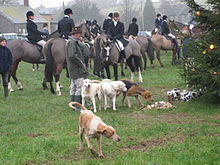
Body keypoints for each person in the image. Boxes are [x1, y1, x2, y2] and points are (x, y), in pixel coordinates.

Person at [65, 27, 89, 105]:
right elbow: (72, 56)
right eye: (80, 34)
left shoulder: (73, 42)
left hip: (73, 68)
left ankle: (73, 103)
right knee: (79, 87)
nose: (81, 36)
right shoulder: (72, 43)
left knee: (73, 86)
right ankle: (77, 105)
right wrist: (81, 64)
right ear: (76, 34)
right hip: (76, 69)